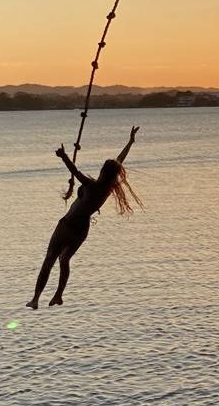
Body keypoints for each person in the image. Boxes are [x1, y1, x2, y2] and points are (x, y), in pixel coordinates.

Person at [27, 126, 142, 309]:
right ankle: (58, 295)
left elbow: (75, 171)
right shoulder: (107, 188)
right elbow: (119, 160)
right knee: (64, 260)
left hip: (67, 225)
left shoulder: (92, 185)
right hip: (81, 230)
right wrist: (130, 142)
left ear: (103, 171)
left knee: (50, 259)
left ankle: (35, 299)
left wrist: (63, 156)